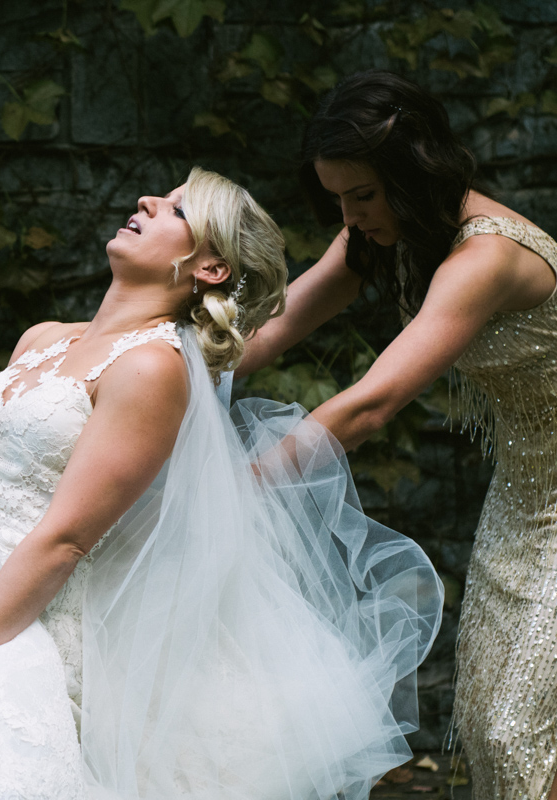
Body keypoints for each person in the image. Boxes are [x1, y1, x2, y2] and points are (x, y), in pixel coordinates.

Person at [0, 167, 442, 799]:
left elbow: (67, 536)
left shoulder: (153, 369)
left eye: (178, 210)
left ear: (210, 270)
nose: (148, 201)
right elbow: (1, 476)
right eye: (159, 195)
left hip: (19, 627)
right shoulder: (42, 338)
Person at [237, 69, 557, 799]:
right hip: (526, 492)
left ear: (413, 173)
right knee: (484, 725)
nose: (349, 214)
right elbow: (273, 328)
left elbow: (371, 403)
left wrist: (242, 489)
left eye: (363, 194)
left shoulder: (488, 257)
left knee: (518, 728)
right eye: (338, 198)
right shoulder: (389, 232)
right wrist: (133, 358)